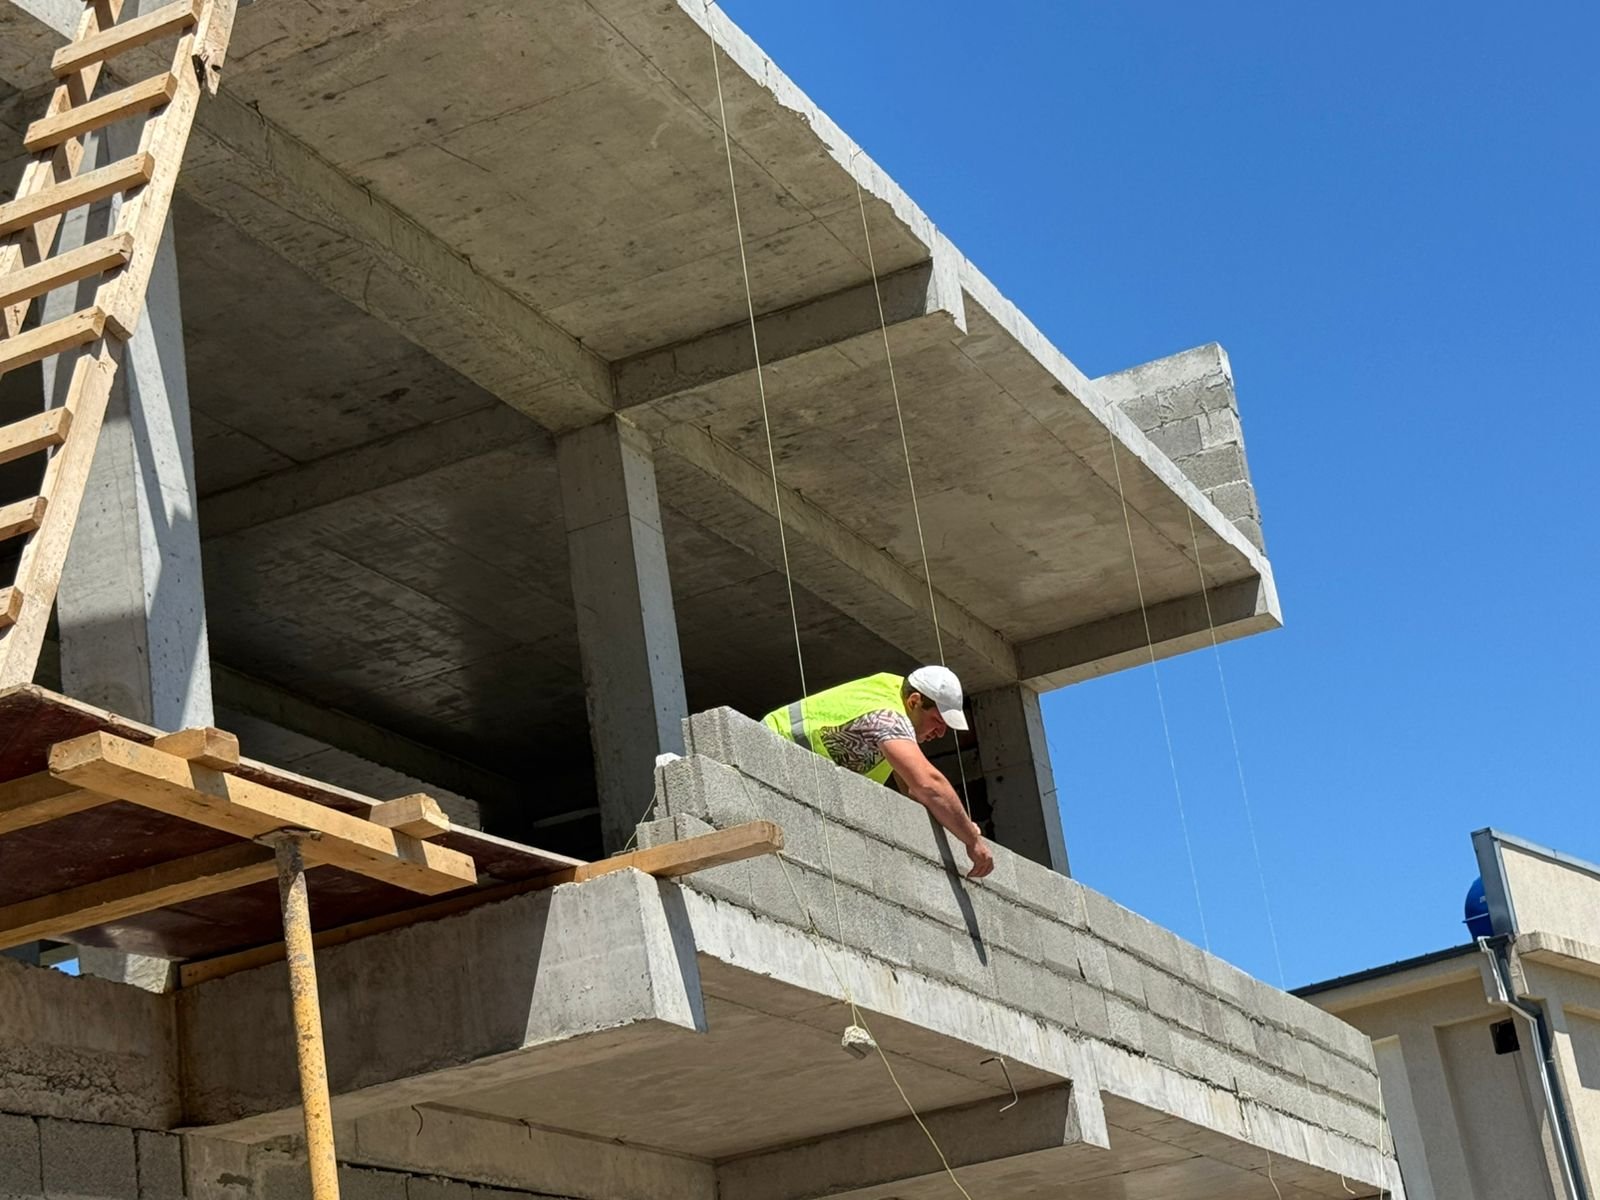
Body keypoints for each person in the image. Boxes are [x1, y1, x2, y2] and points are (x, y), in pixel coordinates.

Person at [762, 666, 995, 879]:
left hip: (793, 774)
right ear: (914, 701)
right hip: (771, 755)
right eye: (937, 720)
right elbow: (928, 784)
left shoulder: (894, 692)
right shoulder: (888, 718)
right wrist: (972, 840)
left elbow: (913, 789)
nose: (941, 732)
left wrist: (959, 824)